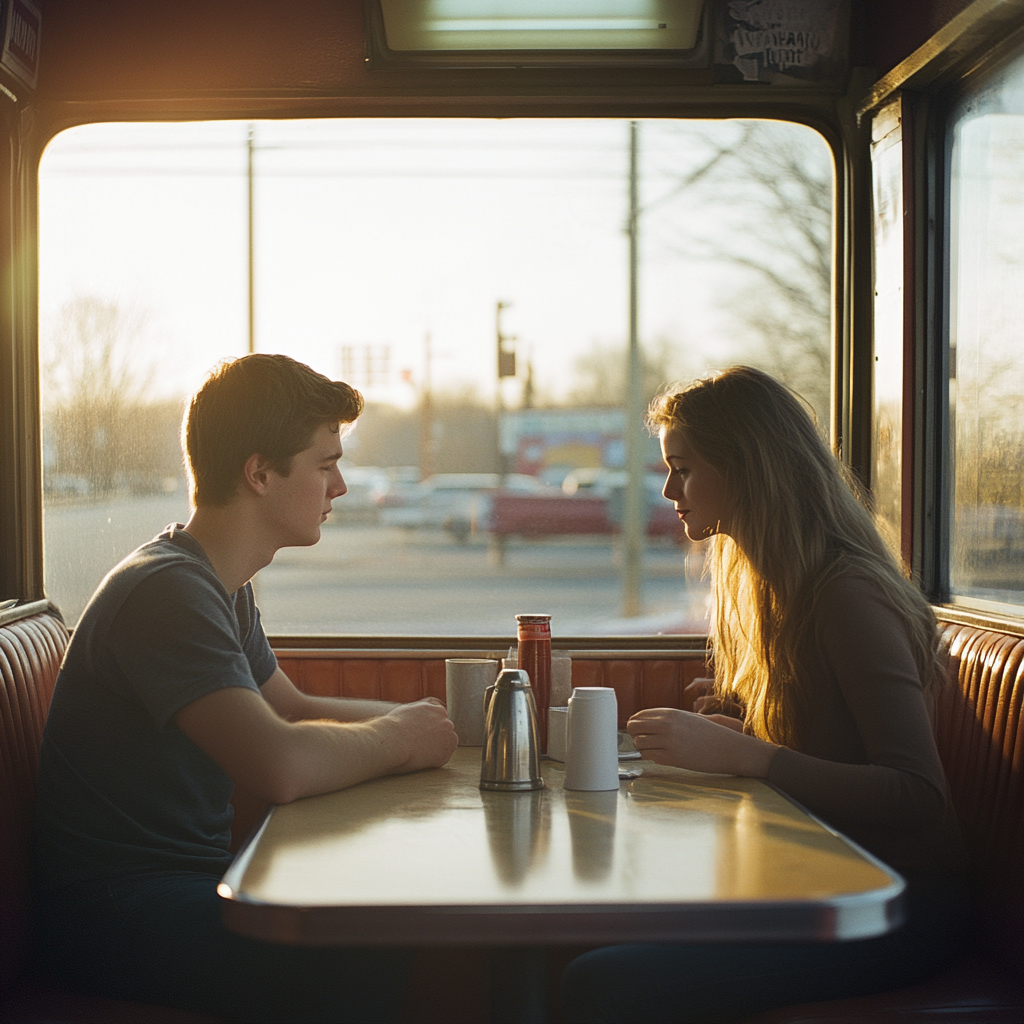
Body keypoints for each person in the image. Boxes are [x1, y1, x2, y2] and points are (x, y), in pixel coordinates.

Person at [33, 353, 458, 1023]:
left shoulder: (216, 584)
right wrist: (403, 737)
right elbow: (280, 764)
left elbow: (292, 710)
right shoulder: (167, 590)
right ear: (259, 473)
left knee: (375, 909)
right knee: (367, 943)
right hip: (114, 917)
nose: (340, 487)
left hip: (171, 891)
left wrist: (442, 726)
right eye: (325, 464)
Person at [561, 366, 967, 1023]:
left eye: (684, 468)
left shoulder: (846, 592)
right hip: (815, 885)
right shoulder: (780, 586)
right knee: (598, 947)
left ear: (747, 467)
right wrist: (753, 723)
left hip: (890, 912)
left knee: (600, 981)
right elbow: (839, 745)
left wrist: (747, 757)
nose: (668, 490)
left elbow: (917, 795)